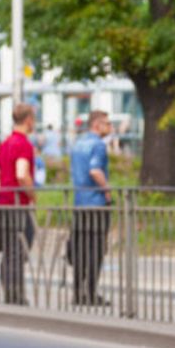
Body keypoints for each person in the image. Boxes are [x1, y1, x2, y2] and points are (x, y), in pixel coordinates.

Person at [0, 103, 36, 305]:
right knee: (19, 249)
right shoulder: (23, 144)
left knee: (9, 250)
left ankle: (9, 291)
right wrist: (32, 195)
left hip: (3, 204)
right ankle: (15, 294)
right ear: (28, 120)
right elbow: (22, 173)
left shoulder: (5, 143)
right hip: (18, 205)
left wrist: (3, 190)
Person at [68, 110, 113, 307]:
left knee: (80, 249)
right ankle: (91, 292)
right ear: (96, 124)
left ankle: (78, 292)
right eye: (107, 124)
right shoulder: (98, 145)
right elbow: (95, 170)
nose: (110, 127)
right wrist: (107, 190)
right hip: (96, 203)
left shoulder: (78, 144)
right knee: (96, 249)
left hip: (79, 202)